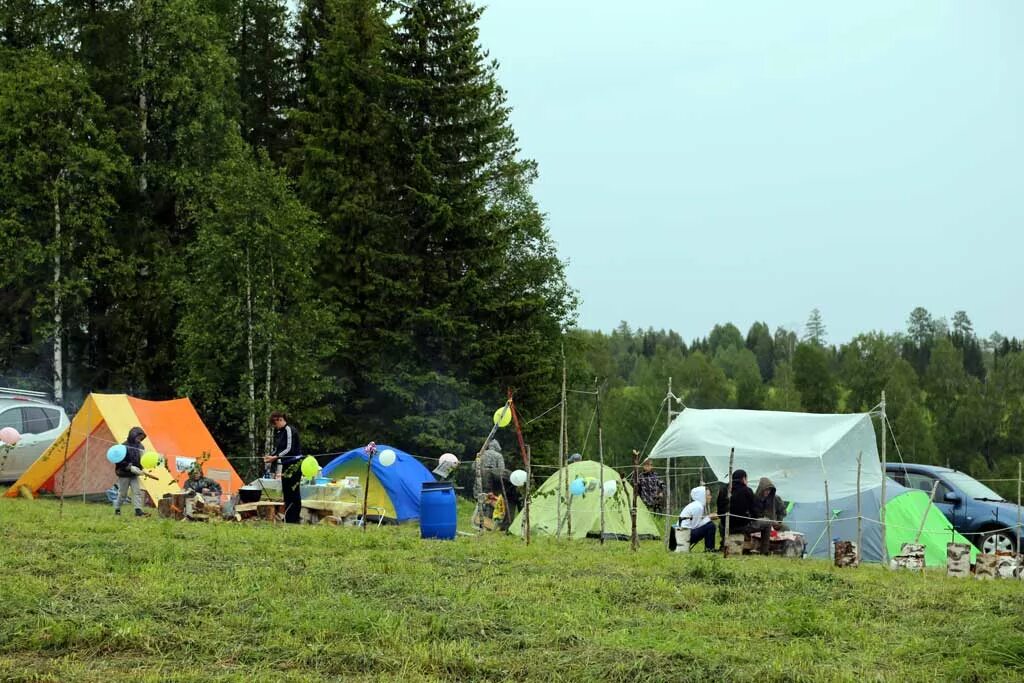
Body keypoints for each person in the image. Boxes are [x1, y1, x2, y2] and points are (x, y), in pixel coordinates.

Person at [716, 469, 770, 553]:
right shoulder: (747, 490)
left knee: (721, 523)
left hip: (726, 525)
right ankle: (764, 551)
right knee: (767, 522)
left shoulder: (723, 490)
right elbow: (754, 512)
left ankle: (723, 545)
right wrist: (751, 518)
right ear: (744, 479)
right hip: (742, 527)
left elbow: (719, 512)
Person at [264, 411, 302, 524]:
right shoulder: (280, 432)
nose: (275, 426)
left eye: (275, 424)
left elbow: (288, 449)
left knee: (293, 491)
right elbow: (279, 448)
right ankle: (289, 517)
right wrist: (270, 456)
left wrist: (275, 457)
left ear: (279, 419)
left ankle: (294, 519)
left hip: (295, 464)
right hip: (286, 464)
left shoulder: (289, 429)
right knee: (286, 491)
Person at [114, 426, 148, 517]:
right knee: (123, 494)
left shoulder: (141, 446)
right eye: (138, 437)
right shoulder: (123, 446)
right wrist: (129, 467)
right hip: (124, 474)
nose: (139, 439)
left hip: (134, 474)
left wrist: (141, 468)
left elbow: (141, 460)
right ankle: (117, 508)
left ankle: (138, 511)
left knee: (137, 492)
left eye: (141, 438)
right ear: (133, 435)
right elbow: (119, 461)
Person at [473, 439, 505, 529]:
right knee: (490, 502)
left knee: (480, 501)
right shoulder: (498, 456)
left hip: (479, 481)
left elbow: (473, 467)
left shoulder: (481, 454)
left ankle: (478, 521)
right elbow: (502, 471)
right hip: (492, 483)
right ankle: (486, 524)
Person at [674, 485, 717, 552]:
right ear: (702, 496)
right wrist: (709, 518)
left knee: (709, 524)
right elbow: (695, 526)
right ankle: (710, 550)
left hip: (682, 532)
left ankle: (709, 549)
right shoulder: (698, 507)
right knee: (711, 526)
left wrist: (708, 518)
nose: (710, 497)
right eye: (708, 495)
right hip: (684, 535)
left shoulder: (697, 505)